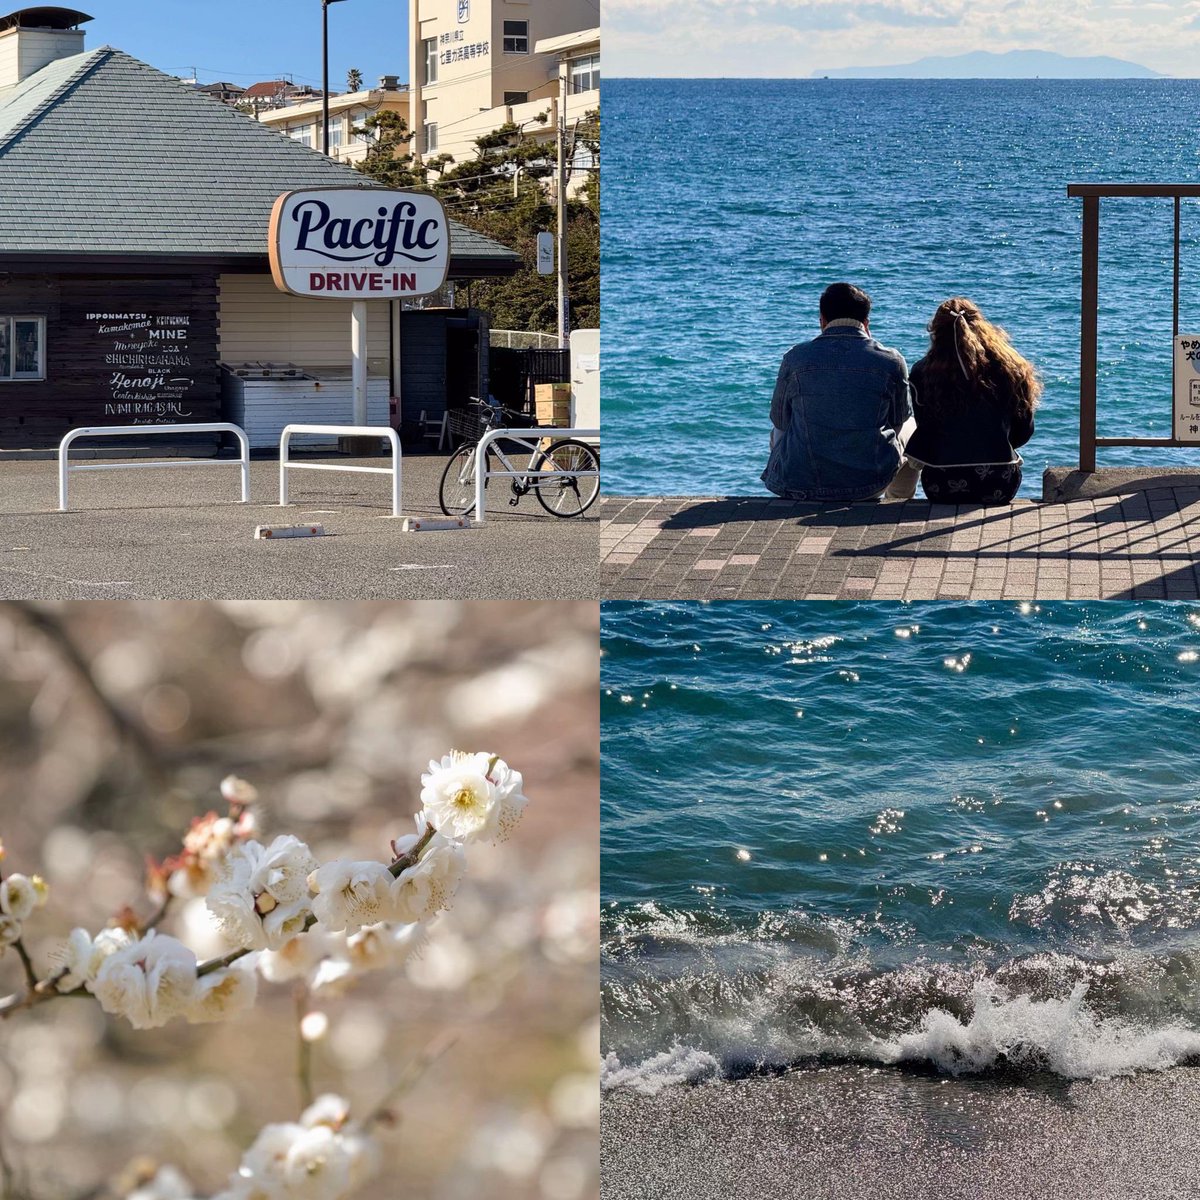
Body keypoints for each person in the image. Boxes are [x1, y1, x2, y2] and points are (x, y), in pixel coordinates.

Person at [761, 283, 915, 503]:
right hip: (867, 486)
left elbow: (780, 421)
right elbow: (898, 420)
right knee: (911, 425)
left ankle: (793, 474)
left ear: (822, 320)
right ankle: (898, 501)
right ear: (866, 323)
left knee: (781, 428)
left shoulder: (795, 357)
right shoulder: (891, 360)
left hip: (800, 485)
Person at [903, 297, 1041, 505]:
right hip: (1000, 483)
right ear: (983, 327)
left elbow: (926, 429)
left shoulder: (921, 372)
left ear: (936, 332)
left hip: (941, 485)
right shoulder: (1012, 369)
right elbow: (1024, 430)